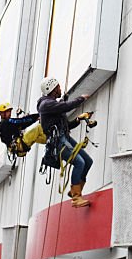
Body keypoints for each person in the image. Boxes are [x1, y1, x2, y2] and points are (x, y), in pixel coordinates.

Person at [37, 77, 94, 208]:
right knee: (79, 162)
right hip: (57, 141)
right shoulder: (46, 104)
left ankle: (75, 188)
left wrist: (78, 119)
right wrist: (81, 98)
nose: (60, 88)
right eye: (57, 87)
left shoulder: (52, 106)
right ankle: (76, 197)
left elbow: (67, 125)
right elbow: (65, 106)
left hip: (64, 137)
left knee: (88, 161)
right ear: (52, 89)